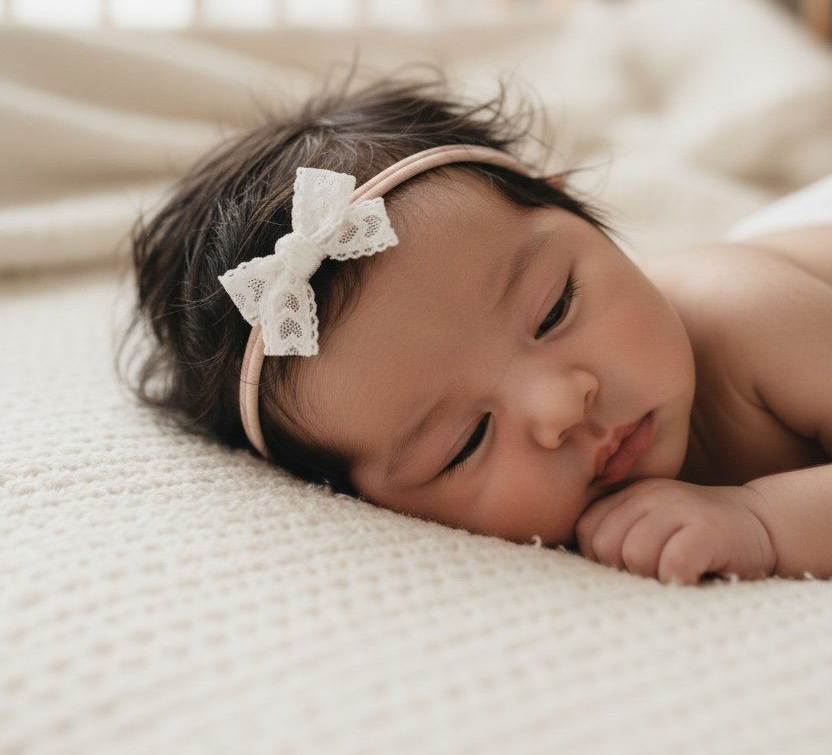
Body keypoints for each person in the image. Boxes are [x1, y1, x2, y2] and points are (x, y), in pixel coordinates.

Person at [127, 77, 832, 585]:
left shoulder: (747, 316)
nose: (559, 408)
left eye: (554, 309)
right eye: (465, 442)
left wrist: (764, 521)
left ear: (576, 209)